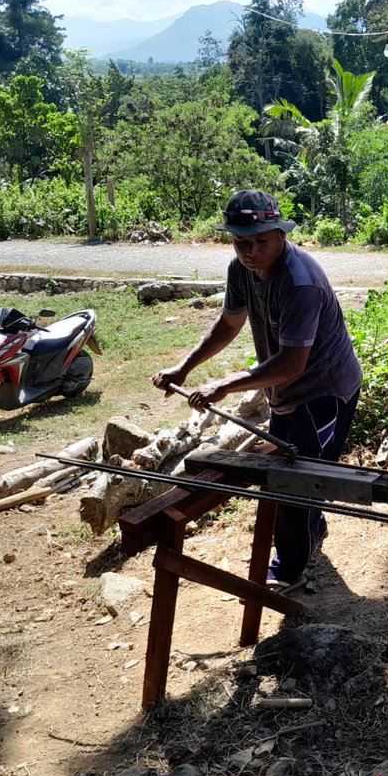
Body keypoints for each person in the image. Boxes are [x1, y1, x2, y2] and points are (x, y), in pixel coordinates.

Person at [153, 190, 362, 593]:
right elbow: (228, 324)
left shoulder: (299, 283)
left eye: (260, 242)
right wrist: (185, 366)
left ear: (280, 233)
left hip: (324, 390)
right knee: (297, 472)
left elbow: (292, 363)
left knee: (294, 482)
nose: (250, 252)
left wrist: (224, 385)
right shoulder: (241, 269)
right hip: (285, 391)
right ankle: (312, 527)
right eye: (241, 242)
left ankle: (289, 570)